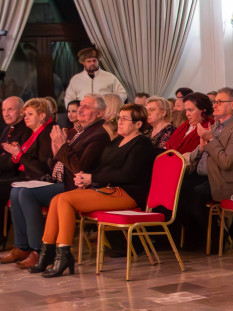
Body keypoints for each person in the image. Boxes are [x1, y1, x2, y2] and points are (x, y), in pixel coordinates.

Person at [29, 104, 157, 278]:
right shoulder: (117, 141)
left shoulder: (142, 144)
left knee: (66, 200)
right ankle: (47, 253)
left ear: (138, 124)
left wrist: (93, 178)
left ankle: (63, 254)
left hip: (128, 193)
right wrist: (86, 178)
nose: (119, 122)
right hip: (108, 189)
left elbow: (127, 174)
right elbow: (102, 169)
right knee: (57, 199)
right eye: (119, 117)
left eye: (125, 119)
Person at [6, 95, 109, 269]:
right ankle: (22, 246)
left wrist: (61, 148)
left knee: (25, 192)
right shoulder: (76, 130)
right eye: (81, 105)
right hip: (59, 181)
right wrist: (57, 151)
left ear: (99, 113)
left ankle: (39, 250)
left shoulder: (99, 135)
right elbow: (55, 163)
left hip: (76, 186)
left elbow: (80, 168)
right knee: (16, 190)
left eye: (87, 107)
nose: (81, 109)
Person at [177, 88, 233, 246]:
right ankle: (194, 239)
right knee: (177, 191)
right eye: (215, 101)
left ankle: (217, 237)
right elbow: (196, 156)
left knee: (194, 196)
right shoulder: (216, 126)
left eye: (220, 102)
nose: (215, 105)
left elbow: (227, 163)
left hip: (224, 180)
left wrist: (211, 140)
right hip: (206, 175)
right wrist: (200, 147)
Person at [0, 98, 54, 248]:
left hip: (41, 179)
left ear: (42, 115)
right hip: (28, 176)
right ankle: (22, 246)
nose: (26, 118)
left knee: (20, 192)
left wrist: (19, 154)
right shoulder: (35, 132)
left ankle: (35, 248)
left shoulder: (46, 133)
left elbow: (42, 169)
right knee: (17, 191)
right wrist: (19, 153)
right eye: (25, 115)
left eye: (29, 114)